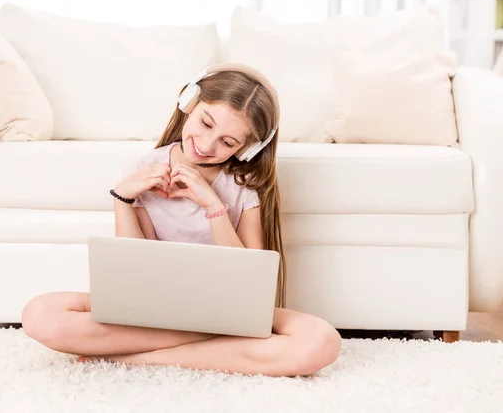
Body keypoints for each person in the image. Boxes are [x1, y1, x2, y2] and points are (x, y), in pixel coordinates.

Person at [21, 62, 342, 377]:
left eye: (228, 142)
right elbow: (134, 272)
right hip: (155, 312)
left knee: (320, 341)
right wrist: (122, 199)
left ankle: (134, 357)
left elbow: (251, 280)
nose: (206, 145)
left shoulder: (244, 187)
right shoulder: (145, 171)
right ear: (189, 103)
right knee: (40, 315)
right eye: (205, 123)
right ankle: (206, 345)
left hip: (228, 313)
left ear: (247, 149)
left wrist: (213, 205)